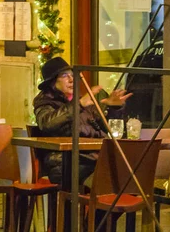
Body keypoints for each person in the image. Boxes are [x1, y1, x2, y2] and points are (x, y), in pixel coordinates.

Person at [33, 56, 132, 185]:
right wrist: (78, 105)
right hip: (65, 163)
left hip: (91, 158)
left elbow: (106, 128)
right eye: (64, 76)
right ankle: (100, 202)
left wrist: (114, 107)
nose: (71, 79)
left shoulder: (81, 101)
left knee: (129, 171)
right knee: (111, 179)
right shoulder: (45, 102)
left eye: (72, 75)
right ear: (52, 82)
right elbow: (47, 123)